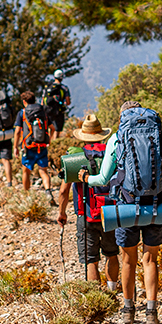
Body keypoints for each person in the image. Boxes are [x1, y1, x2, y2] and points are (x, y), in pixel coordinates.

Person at [81, 100, 162, 324]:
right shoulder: (155, 135)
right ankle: (152, 313)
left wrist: (85, 178)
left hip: (127, 206)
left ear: (122, 117)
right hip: (155, 205)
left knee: (128, 260)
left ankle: (128, 310)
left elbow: (103, 179)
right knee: (150, 259)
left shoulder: (117, 139)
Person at [57, 114, 119, 289]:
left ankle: (97, 297)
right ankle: (112, 290)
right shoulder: (111, 153)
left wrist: (62, 213)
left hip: (86, 213)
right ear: (102, 134)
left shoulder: (75, 158)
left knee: (91, 259)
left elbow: (63, 191)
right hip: (110, 211)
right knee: (112, 254)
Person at [13, 90, 53, 200]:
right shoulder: (43, 111)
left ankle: (27, 195)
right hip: (42, 146)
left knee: (26, 170)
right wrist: (49, 140)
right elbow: (52, 128)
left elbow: (17, 131)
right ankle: (48, 192)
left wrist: (15, 147)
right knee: (43, 171)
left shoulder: (22, 113)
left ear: (24, 101)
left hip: (28, 147)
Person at [44, 70, 72, 139]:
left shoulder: (48, 87)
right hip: (58, 111)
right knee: (57, 129)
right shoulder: (64, 88)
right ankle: (55, 142)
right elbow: (68, 102)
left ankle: (48, 143)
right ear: (62, 77)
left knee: (48, 127)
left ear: (54, 77)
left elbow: (43, 99)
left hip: (47, 110)